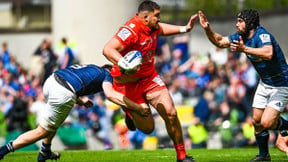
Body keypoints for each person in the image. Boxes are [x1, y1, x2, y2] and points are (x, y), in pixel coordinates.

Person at [103, 1, 197, 161]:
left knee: (171, 113)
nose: (159, 19)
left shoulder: (152, 26)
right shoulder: (130, 30)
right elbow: (108, 49)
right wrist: (124, 64)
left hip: (149, 78)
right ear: (145, 17)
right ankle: (130, 113)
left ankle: (182, 156)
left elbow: (161, 29)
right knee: (148, 128)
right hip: (127, 84)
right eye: (157, 16)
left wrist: (184, 29)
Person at [0, 64, 148, 161]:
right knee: (42, 131)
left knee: (53, 124)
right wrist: (136, 108)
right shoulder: (107, 74)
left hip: (51, 81)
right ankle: (4, 150)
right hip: (63, 91)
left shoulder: (91, 68)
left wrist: (81, 101)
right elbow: (110, 94)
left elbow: (72, 81)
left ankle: (45, 152)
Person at [199, 9, 288, 161]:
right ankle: (263, 155)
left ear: (251, 23)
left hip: (281, 84)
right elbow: (219, 41)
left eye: (240, 21)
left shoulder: (262, 35)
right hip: (265, 83)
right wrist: (207, 29)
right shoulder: (240, 36)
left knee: (267, 122)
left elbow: (268, 53)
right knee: (257, 121)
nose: (237, 24)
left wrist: (244, 49)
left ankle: (286, 126)